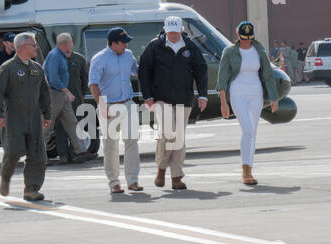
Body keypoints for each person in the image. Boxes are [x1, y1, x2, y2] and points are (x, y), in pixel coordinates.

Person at [139, 16, 208, 190]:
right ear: (165, 30)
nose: (173, 35)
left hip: (184, 98)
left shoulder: (190, 47)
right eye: (170, 32)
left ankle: (176, 176)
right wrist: (147, 95)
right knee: (167, 134)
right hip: (162, 97)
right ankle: (161, 168)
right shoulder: (155, 46)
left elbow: (201, 69)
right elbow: (144, 70)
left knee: (179, 137)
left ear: (181, 31)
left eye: (176, 32)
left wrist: (203, 95)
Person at [0, 33, 52, 202]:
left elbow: (45, 93)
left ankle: (31, 189)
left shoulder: (37, 68)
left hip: (34, 119)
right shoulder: (7, 68)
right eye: (33, 45)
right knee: (13, 152)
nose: (36, 48)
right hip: (13, 119)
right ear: (23, 47)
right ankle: (5, 177)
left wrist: (47, 114)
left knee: (38, 155)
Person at [217, 21, 279, 185]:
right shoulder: (229, 51)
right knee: (248, 130)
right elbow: (222, 78)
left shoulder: (259, 50)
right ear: (237, 34)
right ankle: (245, 171)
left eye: (249, 39)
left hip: (255, 93)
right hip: (237, 92)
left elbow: (268, 75)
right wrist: (224, 102)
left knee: (253, 133)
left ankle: (249, 170)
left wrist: (274, 97)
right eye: (244, 38)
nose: (246, 42)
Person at [88, 27, 143, 193]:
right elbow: (93, 84)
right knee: (110, 145)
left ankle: (132, 180)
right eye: (123, 42)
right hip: (109, 105)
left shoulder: (128, 55)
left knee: (132, 142)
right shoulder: (99, 59)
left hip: (127, 103)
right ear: (113, 43)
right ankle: (114, 183)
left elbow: (136, 71)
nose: (126, 44)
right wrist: (102, 105)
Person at [43, 33, 94, 164]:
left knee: (72, 124)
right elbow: (53, 78)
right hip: (55, 94)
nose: (72, 44)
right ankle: (38, 156)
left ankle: (80, 151)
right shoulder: (55, 56)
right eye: (71, 42)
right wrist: (67, 92)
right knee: (49, 126)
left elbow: (83, 78)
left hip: (63, 95)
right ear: (66, 43)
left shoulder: (64, 56)